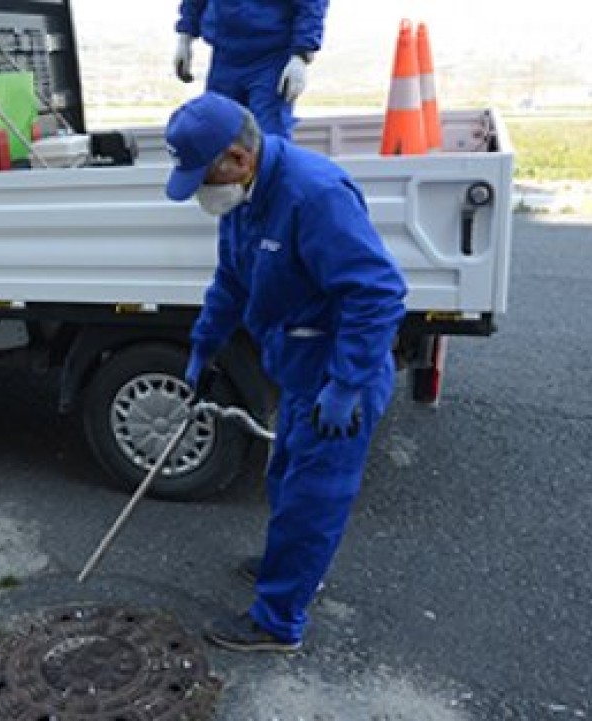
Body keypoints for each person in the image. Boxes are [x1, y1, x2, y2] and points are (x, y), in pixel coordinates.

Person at [165, 92, 406, 652]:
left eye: (205, 177)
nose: (203, 191)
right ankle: (291, 567)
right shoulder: (245, 200)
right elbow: (231, 282)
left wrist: (346, 384)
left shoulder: (314, 195)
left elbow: (378, 294)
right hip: (298, 370)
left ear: (238, 158)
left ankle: (278, 621)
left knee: (312, 498)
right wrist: (203, 350)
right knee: (284, 478)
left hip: (338, 375)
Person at [173, 0, 329, 138]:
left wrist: (300, 56)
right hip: (224, 58)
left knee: (270, 140)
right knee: (218, 136)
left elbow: (312, 5)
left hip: (271, 60)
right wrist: (185, 38)